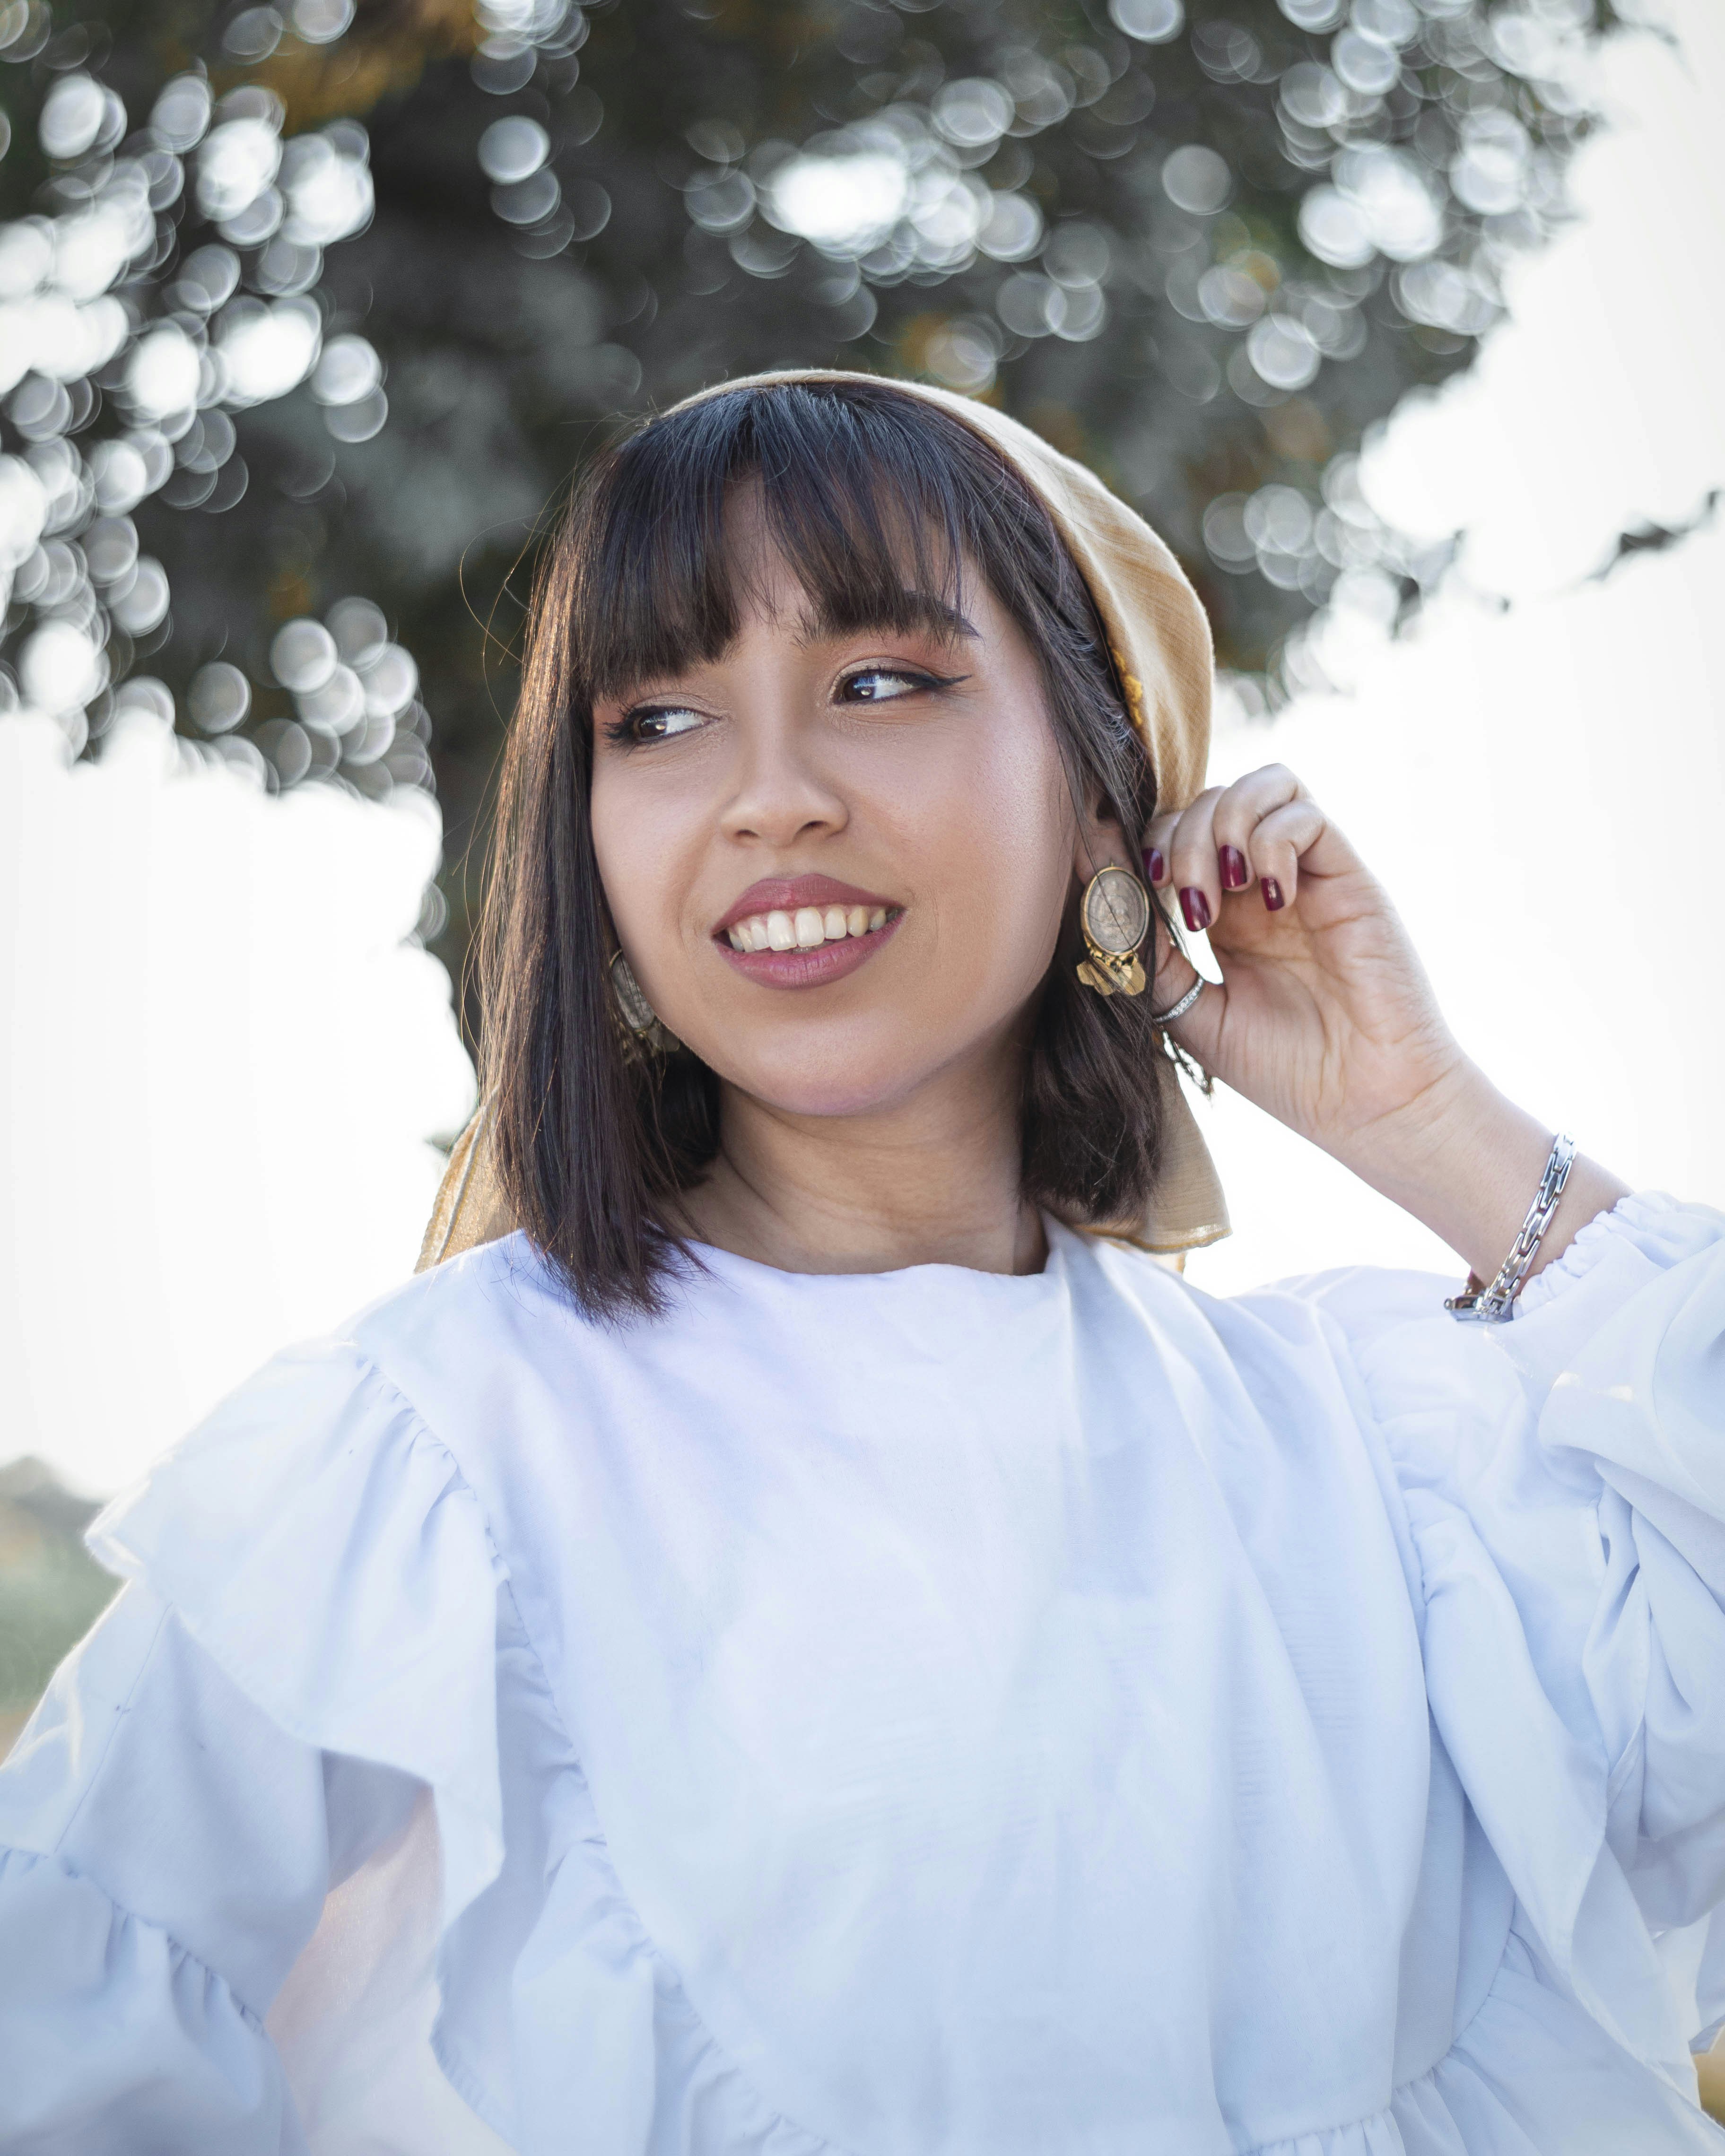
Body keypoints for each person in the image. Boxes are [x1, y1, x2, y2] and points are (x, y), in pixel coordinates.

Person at [1, 371, 1721, 2156]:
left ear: (1105, 779)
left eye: (881, 683)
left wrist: (1423, 1112)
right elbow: (63, 2018)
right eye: (657, 719)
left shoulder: (1371, 1454)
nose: (769, 800)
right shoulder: (427, 1454)